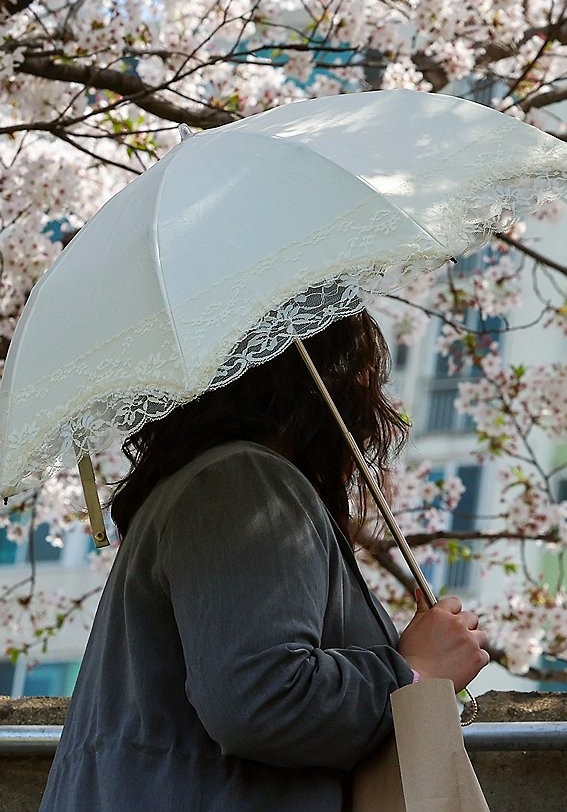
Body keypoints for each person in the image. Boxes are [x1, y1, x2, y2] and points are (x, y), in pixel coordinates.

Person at [39, 311, 489, 811]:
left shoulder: (205, 486)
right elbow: (261, 696)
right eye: (368, 375)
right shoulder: (241, 483)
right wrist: (413, 674)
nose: (377, 400)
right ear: (321, 373)